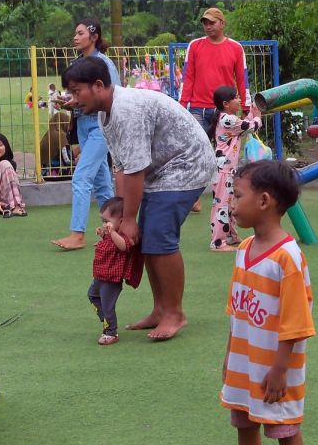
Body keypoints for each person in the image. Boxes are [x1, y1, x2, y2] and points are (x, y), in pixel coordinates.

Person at [62, 55, 213, 341]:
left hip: (186, 164)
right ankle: (160, 309)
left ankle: (175, 313)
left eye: (76, 91)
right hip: (163, 169)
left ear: (98, 86)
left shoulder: (126, 110)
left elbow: (134, 170)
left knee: (160, 236)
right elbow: (122, 166)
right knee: (150, 240)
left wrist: (130, 218)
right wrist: (122, 215)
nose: (73, 99)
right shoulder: (106, 114)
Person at [221, 160, 313, 445]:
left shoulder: (287, 258)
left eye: (237, 195)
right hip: (245, 364)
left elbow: (296, 323)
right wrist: (229, 355)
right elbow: (237, 313)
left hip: (276, 369)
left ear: (264, 201)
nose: (231, 203)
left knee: (286, 431)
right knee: (244, 424)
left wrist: (279, 370)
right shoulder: (243, 249)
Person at [52, 19, 121, 251]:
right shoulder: (78, 63)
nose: (75, 37)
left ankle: (77, 234)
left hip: (99, 127)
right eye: (75, 33)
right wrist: (72, 102)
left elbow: (114, 95)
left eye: (80, 33)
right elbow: (85, 97)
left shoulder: (104, 64)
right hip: (84, 126)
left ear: (94, 36)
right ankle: (114, 230)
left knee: (81, 178)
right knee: (102, 184)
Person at [179, 6, 249, 136]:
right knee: (197, 150)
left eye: (212, 23)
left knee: (225, 150)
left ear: (222, 23)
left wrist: (246, 107)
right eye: (205, 23)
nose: (208, 26)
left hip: (225, 109)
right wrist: (181, 106)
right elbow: (188, 78)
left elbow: (242, 79)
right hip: (197, 109)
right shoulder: (194, 46)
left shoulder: (236, 48)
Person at [209, 85, 263, 251]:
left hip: (228, 170)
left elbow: (244, 125)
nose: (240, 100)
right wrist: (258, 116)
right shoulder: (228, 119)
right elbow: (250, 127)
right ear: (226, 103)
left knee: (231, 204)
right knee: (222, 206)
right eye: (236, 98)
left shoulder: (228, 119)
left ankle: (231, 236)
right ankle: (218, 242)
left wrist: (252, 114)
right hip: (223, 170)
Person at [89, 196, 144, 346]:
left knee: (108, 305)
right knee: (92, 296)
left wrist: (112, 233)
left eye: (107, 221)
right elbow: (109, 244)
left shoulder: (123, 236)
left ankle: (111, 332)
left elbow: (123, 247)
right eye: (103, 221)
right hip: (100, 275)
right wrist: (103, 234)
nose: (104, 224)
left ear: (121, 222)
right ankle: (106, 321)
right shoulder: (111, 234)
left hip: (112, 279)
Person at [40, 109, 74, 179]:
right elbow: (67, 161)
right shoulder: (61, 136)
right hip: (57, 173)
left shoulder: (47, 136)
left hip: (44, 173)